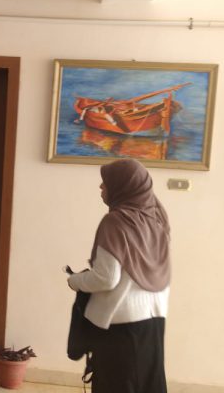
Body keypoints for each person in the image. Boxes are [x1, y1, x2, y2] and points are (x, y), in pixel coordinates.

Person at [67, 158, 170, 393]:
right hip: (154, 318)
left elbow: (106, 277)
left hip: (120, 324)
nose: (101, 187)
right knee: (146, 384)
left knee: (115, 385)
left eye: (105, 182)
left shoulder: (116, 220)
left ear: (122, 186)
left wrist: (75, 281)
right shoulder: (156, 218)